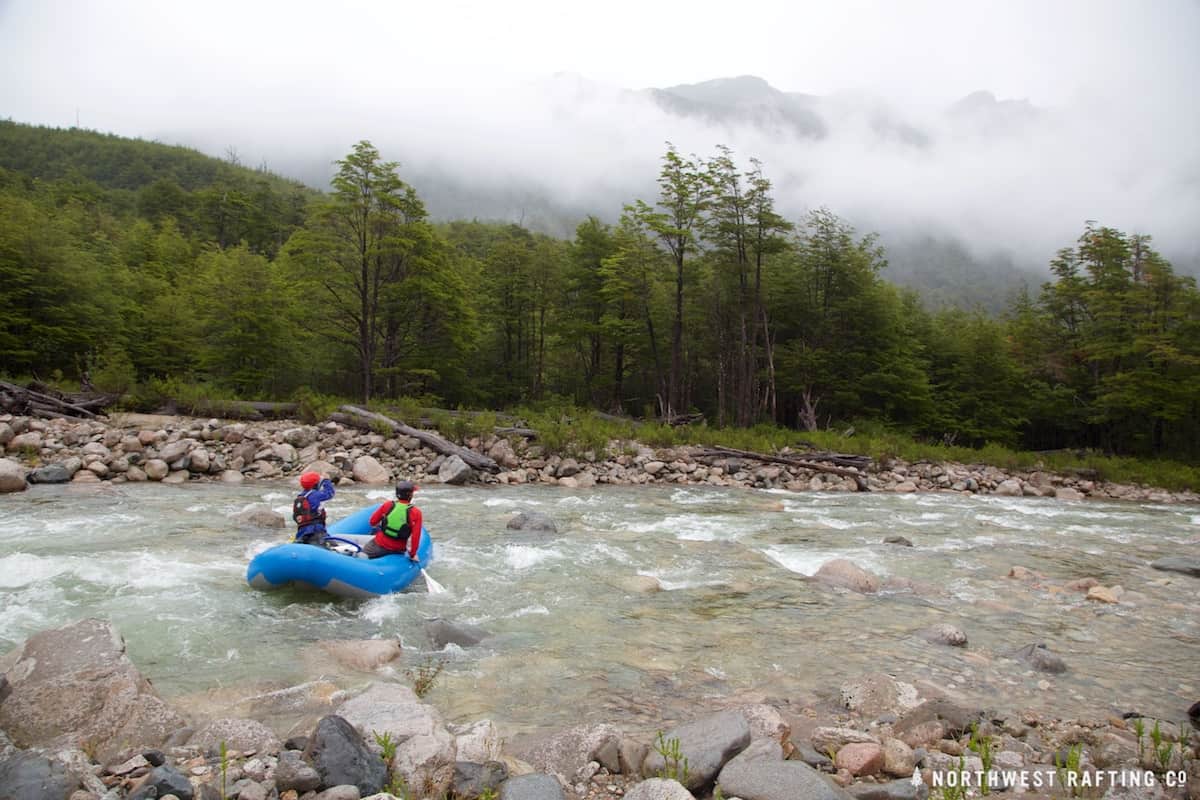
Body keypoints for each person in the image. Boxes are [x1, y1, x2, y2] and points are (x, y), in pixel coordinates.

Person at [364, 479, 423, 561]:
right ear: (410, 495)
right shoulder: (416, 513)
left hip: (378, 546)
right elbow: (415, 538)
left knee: (363, 553)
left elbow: (372, 522)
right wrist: (412, 555)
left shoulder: (387, 505)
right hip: (398, 549)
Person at [293, 471, 335, 545]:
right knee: (330, 545)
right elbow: (330, 493)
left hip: (302, 531)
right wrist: (326, 480)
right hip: (315, 530)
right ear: (316, 484)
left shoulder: (301, 496)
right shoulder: (315, 495)